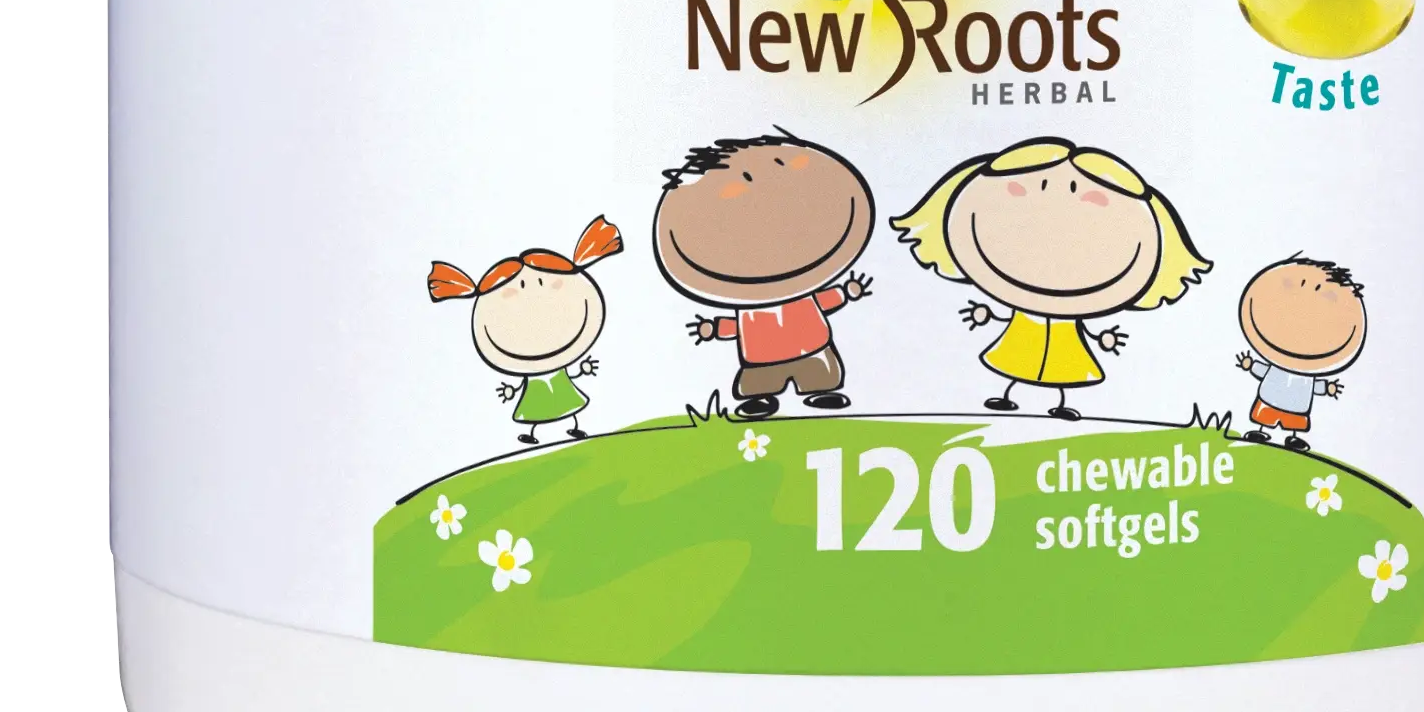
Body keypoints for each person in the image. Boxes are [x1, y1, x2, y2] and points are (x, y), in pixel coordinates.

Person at [890, 138, 1207, 420]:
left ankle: (1061, 404)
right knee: (1015, 365)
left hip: (1065, 343)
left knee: (1062, 373)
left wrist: (1103, 339)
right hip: (1022, 335)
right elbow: (1003, 313)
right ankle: (1006, 396)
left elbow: (1087, 329)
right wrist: (986, 313)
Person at [652, 135, 875, 414]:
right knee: (758, 381)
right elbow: (736, 327)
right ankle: (759, 399)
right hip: (761, 357)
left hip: (812, 347)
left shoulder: (799, 291)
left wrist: (846, 292)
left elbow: (823, 301)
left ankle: (822, 393)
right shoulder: (747, 304)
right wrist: (713, 329)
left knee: (820, 373)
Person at [428, 214, 621, 443]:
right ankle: (533, 434)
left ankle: (574, 427)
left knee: (569, 406)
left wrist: (582, 369)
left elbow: (570, 373)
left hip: (560, 388)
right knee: (536, 412)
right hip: (536, 392)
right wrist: (512, 391)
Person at [1232, 254, 1367, 450]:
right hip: (1269, 398)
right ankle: (1261, 431)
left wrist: (1327, 388)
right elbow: (1263, 371)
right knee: (1266, 415)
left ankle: (1293, 438)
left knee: (1293, 421)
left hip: (1297, 406)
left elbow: (1314, 386)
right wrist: (1251, 365)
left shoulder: (1308, 373)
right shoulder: (1278, 364)